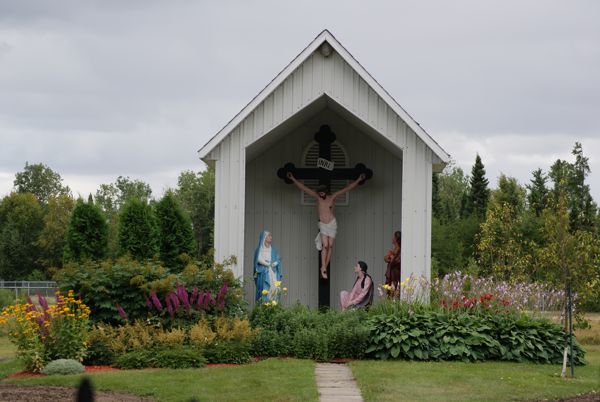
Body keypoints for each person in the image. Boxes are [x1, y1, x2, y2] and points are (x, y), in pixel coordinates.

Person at [287, 172, 366, 279]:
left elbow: (346, 189)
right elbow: (305, 188)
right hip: (323, 224)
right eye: (320, 193)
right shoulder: (317, 197)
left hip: (332, 223)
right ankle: (323, 267)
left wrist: (358, 180)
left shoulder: (332, 197)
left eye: (323, 193)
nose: (321, 194)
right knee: (325, 245)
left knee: (331, 246)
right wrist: (293, 179)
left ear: (326, 192)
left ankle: (324, 267)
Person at [253, 231, 282, 303]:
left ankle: (273, 305)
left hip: (273, 272)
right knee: (264, 290)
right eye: (269, 236)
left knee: (274, 289)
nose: (271, 237)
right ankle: (264, 306)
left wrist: (276, 263)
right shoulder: (259, 250)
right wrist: (267, 264)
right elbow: (258, 259)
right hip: (263, 273)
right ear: (264, 238)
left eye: (270, 236)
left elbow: (278, 259)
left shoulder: (273, 250)